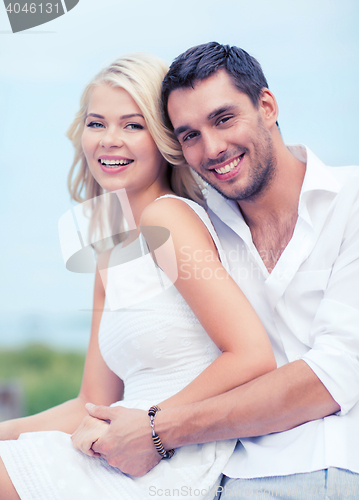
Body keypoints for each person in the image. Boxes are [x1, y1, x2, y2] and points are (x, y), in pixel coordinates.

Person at [77, 43, 359, 499]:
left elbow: (338, 371)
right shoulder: (200, 223)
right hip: (232, 476)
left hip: (341, 463)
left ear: (267, 106)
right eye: (189, 135)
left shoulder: (352, 201)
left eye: (223, 119)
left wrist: (157, 429)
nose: (212, 148)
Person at [0, 52, 276, 500]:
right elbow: (90, 402)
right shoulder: (110, 248)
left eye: (132, 125)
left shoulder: (167, 218)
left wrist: (150, 425)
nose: (110, 140)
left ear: (163, 139)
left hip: (172, 456)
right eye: (96, 124)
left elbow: (251, 355)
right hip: (120, 445)